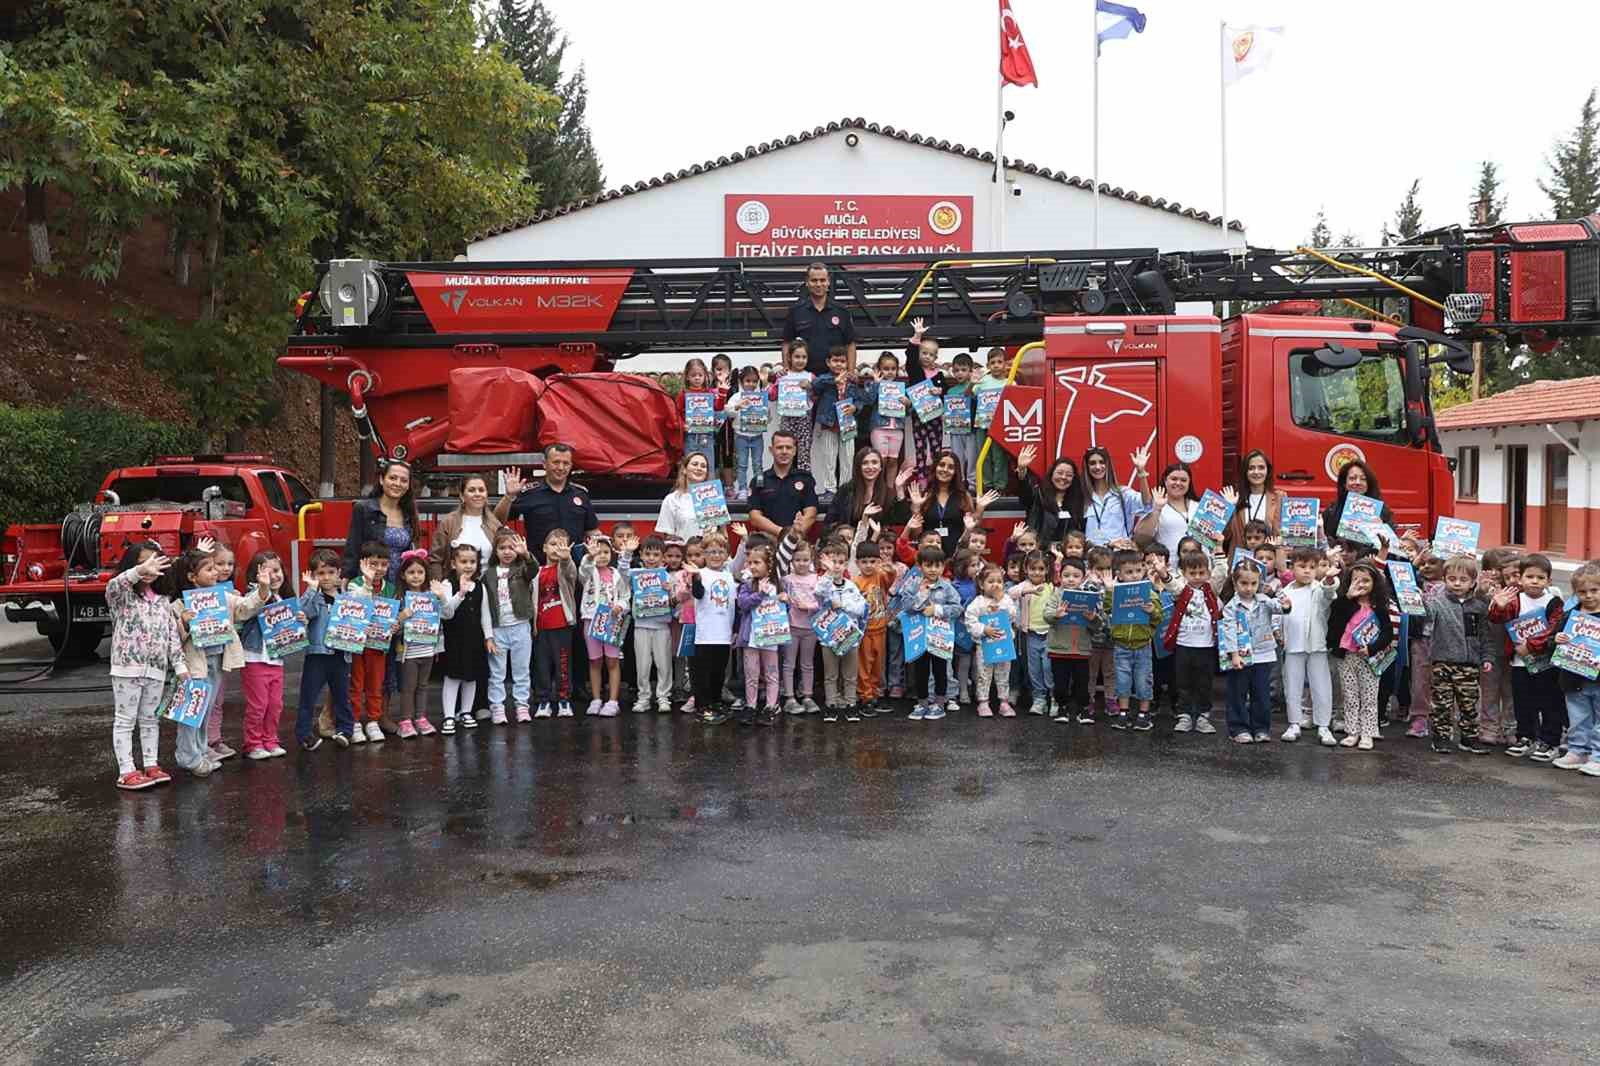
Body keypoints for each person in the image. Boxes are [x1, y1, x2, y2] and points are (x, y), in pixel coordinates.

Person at [168, 542, 266, 774]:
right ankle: (188, 757)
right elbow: (173, 639)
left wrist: (262, 590)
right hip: (194, 665)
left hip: (217, 661)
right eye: (209, 569)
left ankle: (201, 752)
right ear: (192, 576)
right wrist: (184, 622)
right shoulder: (178, 604)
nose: (216, 573)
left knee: (206, 709)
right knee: (191, 712)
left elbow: (245, 608)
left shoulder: (223, 597)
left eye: (215, 568)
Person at [106, 540, 184, 789]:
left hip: (156, 670)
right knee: (125, 719)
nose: (149, 569)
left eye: (154, 563)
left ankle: (151, 764)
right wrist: (138, 571)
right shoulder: (123, 597)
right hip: (127, 668)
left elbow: (171, 635)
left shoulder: (163, 600)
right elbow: (114, 586)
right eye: (143, 564)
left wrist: (180, 666)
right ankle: (126, 770)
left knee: (150, 719)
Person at [1488, 553, 1566, 761]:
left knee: (1549, 702)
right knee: (1523, 702)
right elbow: (1497, 618)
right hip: (1519, 663)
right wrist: (1499, 605)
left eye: (1540, 578)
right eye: (1530, 576)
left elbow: (1554, 628)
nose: (1535, 581)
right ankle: (1526, 737)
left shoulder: (1553, 601)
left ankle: (1550, 741)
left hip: (1546, 664)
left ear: (1549, 580)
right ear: (1520, 578)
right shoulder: (1515, 600)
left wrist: (1531, 646)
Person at [1423, 555, 1492, 755]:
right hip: (1442, 662)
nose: (1457, 584)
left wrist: (1486, 658)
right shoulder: (1437, 602)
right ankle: (1441, 737)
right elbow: (1427, 615)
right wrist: (1419, 600)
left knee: (1469, 703)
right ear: (1444, 579)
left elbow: (1484, 635)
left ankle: (1469, 738)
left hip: (1469, 663)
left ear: (1473, 582)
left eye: (1463, 580)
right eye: (1452, 579)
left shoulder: (1479, 606)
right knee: (1441, 703)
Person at [1219, 560, 1290, 744]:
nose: (1249, 588)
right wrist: (1234, 654)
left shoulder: (1264, 601)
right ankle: (1238, 728)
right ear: (1235, 584)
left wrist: (1285, 604)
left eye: (1253, 583)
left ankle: (1261, 728)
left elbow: (1280, 608)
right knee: (1237, 692)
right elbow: (1229, 631)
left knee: (1261, 693)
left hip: (1263, 654)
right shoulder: (1231, 607)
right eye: (1244, 583)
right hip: (1241, 656)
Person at [495, 443, 600, 565]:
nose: (561, 467)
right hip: (538, 568)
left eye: (566, 463)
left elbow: (592, 531)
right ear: (544, 464)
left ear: (571, 466)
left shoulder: (581, 494)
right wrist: (509, 496)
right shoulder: (529, 493)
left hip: (574, 568)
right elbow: (497, 521)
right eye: (556, 462)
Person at [295, 548, 357, 751]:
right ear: (313, 576)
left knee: (341, 695)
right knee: (308, 696)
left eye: (331, 572)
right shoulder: (315, 598)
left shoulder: (346, 598)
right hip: (318, 654)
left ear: (339, 573)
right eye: (321, 573)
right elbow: (302, 611)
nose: (327, 577)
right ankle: (304, 734)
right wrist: (311, 589)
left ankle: (345, 730)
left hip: (341, 654)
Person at [1328, 560, 1393, 751]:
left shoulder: (1379, 606)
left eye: (1366, 580)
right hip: (1347, 655)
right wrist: (1347, 598)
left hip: (1369, 658)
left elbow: (1387, 633)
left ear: (1375, 583)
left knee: (1369, 696)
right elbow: (1334, 624)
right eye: (1356, 580)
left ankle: (1368, 732)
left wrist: (1372, 648)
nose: (1360, 584)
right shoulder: (1343, 603)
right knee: (1350, 695)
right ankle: (1352, 731)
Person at [893, 545, 964, 721]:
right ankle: (922, 702)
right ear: (920, 566)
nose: (933, 570)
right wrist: (921, 595)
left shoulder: (947, 587)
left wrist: (937, 610)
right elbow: (906, 606)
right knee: (921, 670)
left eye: (937, 566)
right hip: (918, 635)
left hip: (940, 636)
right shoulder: (914, 585)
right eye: (928, 565)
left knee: (940, 669)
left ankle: (939, 703)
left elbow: (957, 609)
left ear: (943, 567)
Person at [236, 550, 295, 759]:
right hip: (254, 658)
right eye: (267, 573)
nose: (274, 576)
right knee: (258, 705)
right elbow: (245, 611)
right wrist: (262, 588)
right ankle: (253, 744)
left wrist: (300, 622)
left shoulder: (283, 598)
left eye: (277, 571)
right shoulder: (253, 596)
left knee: (275, 704)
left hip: (276, 659)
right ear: (256, 575)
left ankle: (270, 740)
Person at [1279, 547, 1337, 745]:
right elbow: (1279, 616)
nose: (1307, 571)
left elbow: (1329, 595)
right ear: (1292, 567)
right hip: (1293, 644)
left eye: (1312, 567)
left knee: (1321, 686)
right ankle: (1294, 722)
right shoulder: (1285, 592)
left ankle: (1323, 725)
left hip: (1316, 645)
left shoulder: (1319, 589)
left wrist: (1329, 580)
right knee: (1292, 685)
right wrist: (1278, 634)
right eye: (1302, 566)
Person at [1103, 548, 1165, 731]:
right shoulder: (1116, 592)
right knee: (1122, 681)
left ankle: (1143, 714)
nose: (1134, 575)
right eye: (1129, 572)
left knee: (1143, 680)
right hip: (1121, 645)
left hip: (1142, 646)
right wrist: (1109, 592)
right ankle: (1123, 713)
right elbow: (1107, 610)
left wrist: (1151, 610)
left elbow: (1159, 616)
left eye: (1138, 571)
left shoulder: (1150, 593)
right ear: (1119, 575)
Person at [390, 549, 450, 738]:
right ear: (403, 575)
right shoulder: (400, 598)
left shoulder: (431, 596)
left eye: (420, 572)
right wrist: (402, 616)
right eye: (411, 572)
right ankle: (405, 720)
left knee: (423, 686)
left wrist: (441, 597)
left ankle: (420, 717)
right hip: (408, 651)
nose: (416, 576)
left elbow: (447, 615)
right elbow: (392, 629)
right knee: (408, 687)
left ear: (426, 574)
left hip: (428, 649)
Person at [1163, 550, 1222, 736]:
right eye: (1192, 573)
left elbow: (1222, 572)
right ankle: (1185, 715)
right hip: (1183, 645)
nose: (1197, 577)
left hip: (1206, 646)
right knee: (1183, 683)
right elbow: (1171, 584)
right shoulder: (1183, 590)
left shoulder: (1211, 589)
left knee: (1204, 683)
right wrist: (1162, 573)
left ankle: (1203, 716)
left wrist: (1220, 549)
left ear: (1208, 572)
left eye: (1201, 573)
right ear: (1184, 573)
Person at [480, 530, 535, 724]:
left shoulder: (522, 568)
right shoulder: (488, 574)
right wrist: (488, 634)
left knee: (522, 670)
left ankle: (522, 705)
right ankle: (497, 707)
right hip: (498, 629)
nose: (507, 552)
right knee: (497, 672)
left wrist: (526, 555)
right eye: (502, 548)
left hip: (520, 626)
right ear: (495, 551)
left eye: (511, 547)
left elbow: (534, 570)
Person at [345, 541, 396, 742]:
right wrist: (366, 581)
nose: (379, 569)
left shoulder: (390, 588)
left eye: (383, 564)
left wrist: (393, 626)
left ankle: (373, 720)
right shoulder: (354, 584)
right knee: (356, 683)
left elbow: (392, 614)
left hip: (378, 644)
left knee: (376, 683)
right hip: (357, 644)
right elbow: (358, 602)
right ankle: (355, 721)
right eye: (373, 564)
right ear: (362, 564)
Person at [686, 531, 739, 725]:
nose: (716, 555)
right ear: (704, 554)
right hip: (705, 634)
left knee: (718, 671)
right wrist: (695, 579)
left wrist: (734, 630)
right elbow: (698, 594)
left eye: (720, 551)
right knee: (703, 672)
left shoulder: (729, 575)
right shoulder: (701, 574)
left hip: (724, 634)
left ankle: (715, 702)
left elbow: (734, 604)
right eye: (711, 552)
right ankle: (702, 706)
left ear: (726, 554)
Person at [1554, 562, 1600, 775]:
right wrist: (1559, 638)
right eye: (1582, 592)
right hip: (1573, 677)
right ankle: (1577, 751)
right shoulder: (1570, 614)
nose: (1588, 596)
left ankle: (1597, 756)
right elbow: (1555, 638)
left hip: (1598, 679)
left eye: (1594, 590)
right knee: (1578, 717)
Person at [908, 449, 998, 558]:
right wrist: (916, 508)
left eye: (951, 467)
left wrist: (980, 509)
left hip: (957, 555)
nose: (945, 470)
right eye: (942, 465)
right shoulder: (924, 495)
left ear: (956, 472)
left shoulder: (963, 496)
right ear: (935, 467)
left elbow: (972, 529)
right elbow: (916, 535)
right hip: (930, 558)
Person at [815, 539, 868, 721]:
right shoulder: (824, 582)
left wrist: (842, 605)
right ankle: (831, 705)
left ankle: (850, 704)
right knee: (831, 674)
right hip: (828, 637)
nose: (836, 566)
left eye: (840, 562)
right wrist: (828, 573)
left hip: (849, 636)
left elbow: (861, 608)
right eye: (832, 562)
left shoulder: (851, 586)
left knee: (850, 674)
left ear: (846, 564)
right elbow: (819, 591)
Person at [342, 457, 418, 583]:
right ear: (382, 480)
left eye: (404, 480)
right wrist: (347, 577)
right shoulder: (364, 508)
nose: (398, 484)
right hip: (371, 580)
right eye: (392, 478)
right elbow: (353, 547)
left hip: (401, 583)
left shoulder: (408, 513)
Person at [579, 533, 630, 717]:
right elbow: (583, 570)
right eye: (598, 552)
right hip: (591, 620)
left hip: (612, 622)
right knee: (594, 661)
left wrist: (620, 606)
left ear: (612, 554)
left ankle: (613, 701)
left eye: (605, 552)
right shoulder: (588, 572)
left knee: (613, 661)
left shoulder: (616, 574)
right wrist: (589, 556)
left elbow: (625, 596)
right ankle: (596, 699)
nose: (601, 555)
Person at [530, 528, 580, 719]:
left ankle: (564, 700)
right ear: (543, 548)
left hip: (562, 626)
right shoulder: (538, 571)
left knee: (563, 665)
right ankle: (543, 700)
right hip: (542, 627)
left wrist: (566, 558)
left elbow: (571, 572)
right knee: (541, 665)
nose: (556, 549)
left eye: (561, 545)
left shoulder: (566, 569)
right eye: (552, 544)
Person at [734, 544, 784, 726]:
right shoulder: (747, 585)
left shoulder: (777, 584)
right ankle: (751, 705)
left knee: (771, 673)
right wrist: (760, 594)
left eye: (757, 562)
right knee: (751, 674)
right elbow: (743, 604)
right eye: (750, 563)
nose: (752, 566)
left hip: (771, 636)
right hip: (751, 638)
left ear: (768, 564)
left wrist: (786, 601)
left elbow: (784, 610)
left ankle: (771, 706)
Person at [437, 543, 484, 734]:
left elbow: (485, 614)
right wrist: (461, 594)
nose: (468, 565)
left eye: (472, 561)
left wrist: (488, 637)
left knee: (471, 676)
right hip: (454, 638)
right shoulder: (448, 584)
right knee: (453, 675)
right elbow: (446, 613)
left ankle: (466, 712)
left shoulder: (480, 585)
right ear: (453, 563)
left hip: (474, 638)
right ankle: (449, 715)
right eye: (463, 561)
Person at [810, 345, 867, 497]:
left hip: (847, 423)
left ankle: (845, 489)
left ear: (847, 363)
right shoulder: (825, 379)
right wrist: (834, 380)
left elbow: (860, 399)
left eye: (842, 361)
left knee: (848, 458)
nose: (839, 364)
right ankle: (830, 489)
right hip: (829, 423)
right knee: (829, 457)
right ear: (828, 362)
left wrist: (855, 407)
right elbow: (815, 385)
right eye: (835, 361)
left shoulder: (853, 381)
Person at [782, 261, 856, 375]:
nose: (818, 284)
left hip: (835, 378)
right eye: (814, 280)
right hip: (804, 379)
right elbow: (787, 343)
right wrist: (787, 371)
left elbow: (850, 344)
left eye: (822, 280)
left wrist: (850, 372)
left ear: (828, 282)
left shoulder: (842, 311)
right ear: (807, 282)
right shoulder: (796, 311)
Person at [965, 564, 1018, 718]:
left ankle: (1003, 701)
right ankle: (983, 701)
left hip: (1004, 643)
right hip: (985, 645)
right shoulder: (977, 603)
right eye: (991, 581)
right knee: (984, 674)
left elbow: (1013, 616)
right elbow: (970, 622)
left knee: (1003, 673)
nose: (996, 585)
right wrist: (983, 629)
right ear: (982, 584)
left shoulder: (1006, 600)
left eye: (999, 581)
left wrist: (1002, 601)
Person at [630, 535, 675, 714]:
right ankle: (643, 697)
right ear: (641, 555)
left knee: (664, 663)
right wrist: (626, 554)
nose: (651, 558)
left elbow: (674, 601)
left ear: (663, 557)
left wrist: (670, 591)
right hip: (641, 624)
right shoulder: (635, 574)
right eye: (647, 554)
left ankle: (663, 697)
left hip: (662, 625)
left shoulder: (668, 577)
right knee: (642, 664)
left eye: (656, 555)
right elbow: (622, 571)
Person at [427, 473, 502, 581]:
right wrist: (439, 588)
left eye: (481, 490)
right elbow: (435, 560)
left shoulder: (495, 523)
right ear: (462, 496)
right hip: (453, 590)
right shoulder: (448, 522)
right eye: (472, 490)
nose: (477, 494)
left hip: (488, 590)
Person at [747, 431, 820, 537]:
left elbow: (811, 514)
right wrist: (782, 533)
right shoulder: (758, 480)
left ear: (795, 451)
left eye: (789, 447)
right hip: (767, 544)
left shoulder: (805, 478)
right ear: (771, 450)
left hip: (797, 542)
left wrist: (794, 535)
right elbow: (754, 517)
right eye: (779, 447)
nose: (784, 451)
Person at [852, 540, 896, 712]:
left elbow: (891, 577)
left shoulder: (880, 576)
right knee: (864, 664)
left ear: (878, 562)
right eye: (864, 562)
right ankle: (865, 696)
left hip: (881, 628)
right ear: (857, 563)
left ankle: (876, 693)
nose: (868, 565)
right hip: (864, 631)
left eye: (872, 561)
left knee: (878, 664)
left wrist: (888, 566)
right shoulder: (856, 582)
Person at [780, 540, 821, 715]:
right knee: (789, 664)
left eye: (805, 559)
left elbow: (821, 602)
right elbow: (777, 596)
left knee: (807, 663)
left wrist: (809, 606)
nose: (801, 563)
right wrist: (781, 598)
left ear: (811, 560)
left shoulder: (816, 579)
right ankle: (789, 697)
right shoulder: (786, 579)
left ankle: (807, 696)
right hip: (791, 627)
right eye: (797, 559)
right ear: (791, 561)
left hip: (810, 628)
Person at [1082, 445, 1153, 546]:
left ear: (1108, 465)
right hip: (1092, 557)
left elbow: (1147, 504)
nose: (1098, 467)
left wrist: (1141, 471)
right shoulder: (1083, 496)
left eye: (1102, 462)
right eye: (1092, 463)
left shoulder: (1123, 494)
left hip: (1119, 555)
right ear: (1087, 467)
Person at [904, 317, 946, 485]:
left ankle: (936, 476)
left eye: (931, 354)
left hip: (935, 417)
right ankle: (921, 476)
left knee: (937, 448)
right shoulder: (915, 370)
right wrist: (917, 336)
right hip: (918, 416)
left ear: (936, 356)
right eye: (924, 353)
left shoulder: (940, 375)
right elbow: (910, 356)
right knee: (920, 447)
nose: (927, 356)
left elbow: (946, 394)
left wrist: (940, 391)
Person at [1015, 447, 1086, 545]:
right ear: (1051, 474)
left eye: (1069, 475)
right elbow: (1024, 493)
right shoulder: (1038, 495)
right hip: (1040, 553)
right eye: (1059, 473)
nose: (1063, 477)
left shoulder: (1078, 501)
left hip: (1068, 555)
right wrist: (1022, 469)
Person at [1134, 463, 1203, 560]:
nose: (1178, 483)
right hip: (1168, 567)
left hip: (1198, 568)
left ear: (1189, 483)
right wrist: (1157, 510)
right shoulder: (1156, 504)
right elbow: (1141, 538)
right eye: (1174, 479)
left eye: (1183, 480)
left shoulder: (1200, 506)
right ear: (1165, 480)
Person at [1321, 460, 1395, 550]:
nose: (1358, 482)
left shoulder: (1382, 511)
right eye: (1352, 478)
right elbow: (1325, 541)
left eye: (1363, 479)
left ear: (1368, 484)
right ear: (1344, 484)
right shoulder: (1332, 510)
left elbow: (1391, 546)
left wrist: (1381, 528)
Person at [827, 447, 909, 528]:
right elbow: (830, 522)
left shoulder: (888, 493)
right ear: (858, 467)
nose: (870, 467)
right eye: (865, 463)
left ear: (880, 467)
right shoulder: (846, 490)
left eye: (874, 462)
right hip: (850, 539)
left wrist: (899, 490)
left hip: (879, 539)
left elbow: (901, 521)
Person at [1224, 450, 1285, 554]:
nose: (1256, 472)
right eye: (1251, 468)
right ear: (1245, 472)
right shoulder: (1234, 497)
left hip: (1268, 562)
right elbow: (1225, 536)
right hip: (1239, 563)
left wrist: (1281, 541)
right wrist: (1229, 509)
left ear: (1267, 471)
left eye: (1261, 467)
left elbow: (1283, 533)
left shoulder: (1280, 497)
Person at [768, 342, 815, 472]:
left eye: (804, 357)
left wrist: (811, 387)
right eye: (797, 356)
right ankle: (783, 480)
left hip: (804, 419)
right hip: (787, 418)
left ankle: (804, 482)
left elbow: (816, 397)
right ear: (789, 357)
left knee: (804, 453)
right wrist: (773, 381)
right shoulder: (783, 376)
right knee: (784, 451)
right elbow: (772, 396)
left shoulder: (810, 376)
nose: (800, 360)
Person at [726, 365, 771, 500]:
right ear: (741, 382)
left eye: (754, 381)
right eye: (747, 381)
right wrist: (738, 406)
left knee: (758, 463)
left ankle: (758, 489)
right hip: (741, 435)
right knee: (742, 464)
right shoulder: (736, 396)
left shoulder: (761, 397)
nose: (751, 384)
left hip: (757, 435)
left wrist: (766, 413)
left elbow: (768, 420)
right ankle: (742, 489)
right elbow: (728, 411)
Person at [862, 350, 906, 487]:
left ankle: (890, 489)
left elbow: (909, 411)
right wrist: (876, 384)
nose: (890, 372)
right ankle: (877, 487)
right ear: (879, 369)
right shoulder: (872, 385)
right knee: (881, 460)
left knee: (893, 460)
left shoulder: (902, 388)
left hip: (897, 428)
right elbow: (868, 401)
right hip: (879, 428)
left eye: (893, 369)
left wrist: (908, 403)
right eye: (886, 369)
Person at [972, 347, 1012, 494]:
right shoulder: (983, 381)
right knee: (984, 455)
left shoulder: (1010, 382)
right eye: (992, 362)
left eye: (999, 362)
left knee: (999, 456)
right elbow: (971, 394)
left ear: (1005, 364)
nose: (996, 365)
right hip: (982, 425)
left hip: (1000, 426)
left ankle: (1000, 486)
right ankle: (987, 484)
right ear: (988, 365)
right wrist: (973, 382)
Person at [656, 452, 716, 543]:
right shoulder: (672, 499)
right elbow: (668, 535)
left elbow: (723, 534)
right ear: (684, 469)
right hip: (683, 553)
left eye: (703, 466)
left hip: (708, 554)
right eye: (695, 464)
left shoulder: (714, 498)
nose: (699, 468)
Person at [679, 357, 726, 469]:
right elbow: (677, 412)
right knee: (691, 467)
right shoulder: (683, 394)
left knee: (708, 466)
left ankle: (708, 486)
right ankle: (690, 487)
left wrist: (722, 393)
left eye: (700, 375)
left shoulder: (709, 393)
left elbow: (718, 408)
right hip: (690, 436)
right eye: (693, 375)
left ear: (705, 376)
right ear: (687, 377)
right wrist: (682, 425)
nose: (697, 378)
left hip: (707, 436)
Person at [942, 352, 978, 487]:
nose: (960, 373)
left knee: (972, 457)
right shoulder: (951, 391)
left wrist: (972, 386)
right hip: (956, 429)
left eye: (963, 370)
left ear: (970, 371)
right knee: (957, 457)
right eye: (956, 370)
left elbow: (968, 396)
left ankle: (973, 484)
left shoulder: (976, 387)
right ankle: (959, 482)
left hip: (972, 429)